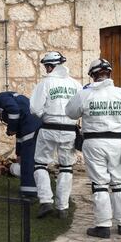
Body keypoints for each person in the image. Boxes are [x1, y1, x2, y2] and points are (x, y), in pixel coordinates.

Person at [65, 58, 121, 238]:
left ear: (93, 76)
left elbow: (70, 112)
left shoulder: (84, 94)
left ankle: (103, 225)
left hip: (94, 142)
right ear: (109, 73)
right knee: (119, 183)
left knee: (100, 183)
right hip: (117, 142)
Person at [30, 51, 83, 219]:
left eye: (47, 67)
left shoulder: (45, 84)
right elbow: (80, 109)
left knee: (40, 164)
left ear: (50, 66)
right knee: (66, 167)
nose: (46, 70)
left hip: (48, 128)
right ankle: (63, 207)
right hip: (69, 129)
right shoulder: (76, 84)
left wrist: (46, 114)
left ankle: (46, 201)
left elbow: (35, 109)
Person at [0, 92, 41, 197]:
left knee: (27, 160)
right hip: (32, 126)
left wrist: (11, 129)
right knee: (30, 159)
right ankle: (37, 187)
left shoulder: (0, 98)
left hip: (30, 126)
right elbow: (19, 133)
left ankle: (29, 192)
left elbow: (14, 110)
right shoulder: (5, 101)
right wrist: (18, 153)